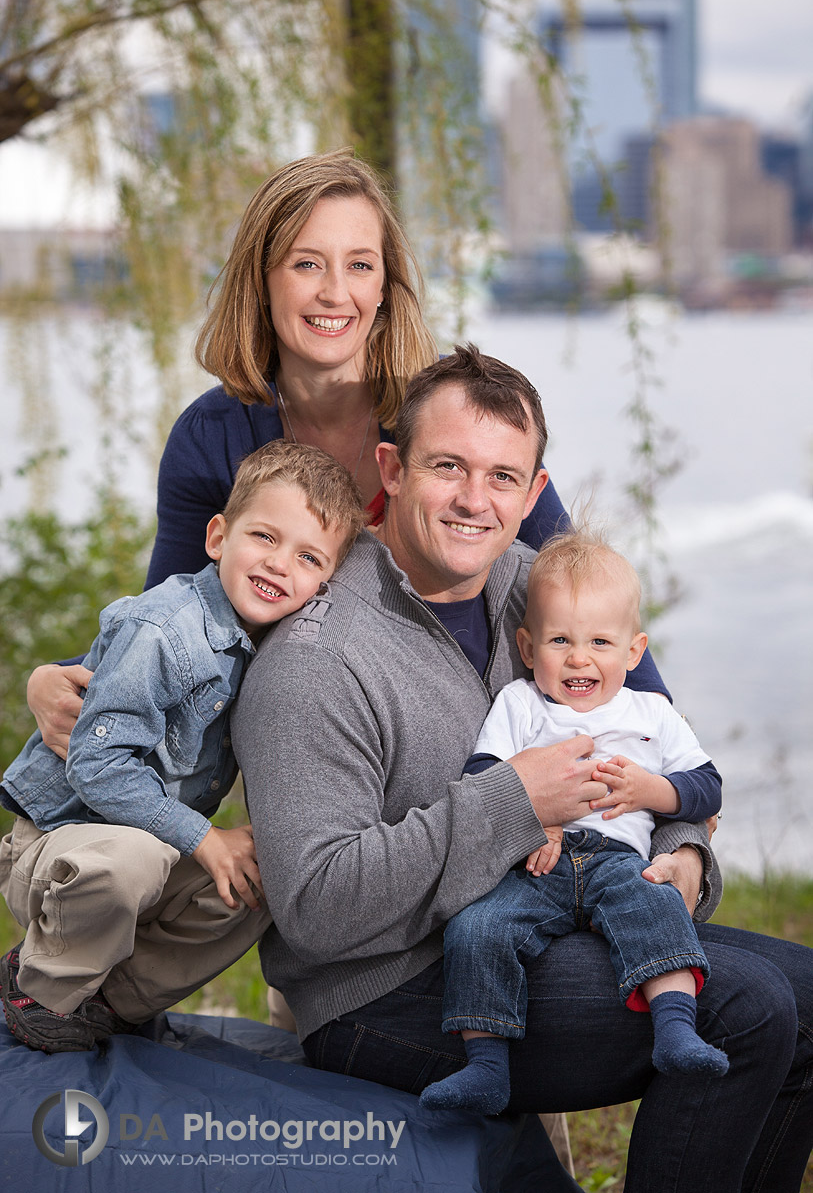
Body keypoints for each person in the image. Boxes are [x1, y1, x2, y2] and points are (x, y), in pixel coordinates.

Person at [231, 345, 813, 1193]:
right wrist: (511, 802)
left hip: (568, 918)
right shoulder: (317, 656)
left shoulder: (533, 592)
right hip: (387, 991)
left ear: (535, 494)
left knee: (805, 996)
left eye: (503, 477)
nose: (476, 500)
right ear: (390, 469)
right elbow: (316, 910)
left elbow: (650, 736)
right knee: (745, 1008)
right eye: (448, 467)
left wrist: (684, 850)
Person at [24, 148, 646, 761]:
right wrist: (55, 677)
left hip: (487, 741)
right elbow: (174, 616)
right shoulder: (211, 436)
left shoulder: (445, 419)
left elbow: (586, 594)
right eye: (306, 264)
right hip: (313, 754)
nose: (334, 292)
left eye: (359, 266)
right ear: (262, 278)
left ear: (385, 286)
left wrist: (676, 799)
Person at [0, 441, 364, 1054]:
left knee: (270, 868)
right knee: (131, 860)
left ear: (325, 585)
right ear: (218, 536)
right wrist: (202, 837)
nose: (280, 565)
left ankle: (114, 1001)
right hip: (60, 845)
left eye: (307, 556)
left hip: (143, 850)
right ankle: (41, 988)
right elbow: (97, 763)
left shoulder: (274, 652)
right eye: (265, 537)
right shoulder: (164, 630)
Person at [420, 529, 727, 1118]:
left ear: (634, 652)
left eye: (600, 642)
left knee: (657, 905)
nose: (580, 657)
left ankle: (675, 1032)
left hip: (620, 858)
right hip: (539, 863)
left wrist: (652, 790)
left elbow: (706, 786)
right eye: (560, 640)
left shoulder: (652, 714)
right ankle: (485, 1067)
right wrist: (533, 818)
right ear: (529, 647)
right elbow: (485, 772)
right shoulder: (520, 703)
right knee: (477, 927)